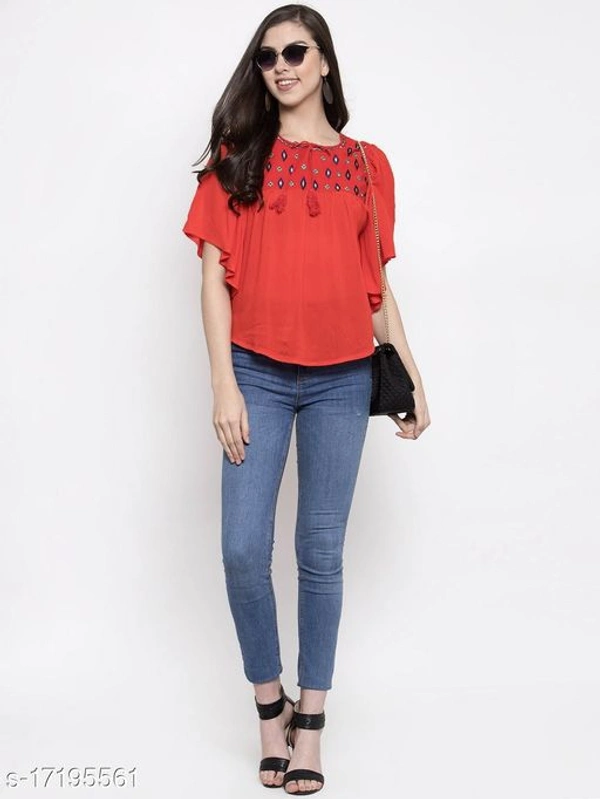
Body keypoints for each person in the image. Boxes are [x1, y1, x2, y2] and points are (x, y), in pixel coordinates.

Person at [182, 4, 430, 794]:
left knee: (321, 553)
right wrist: (223, 381)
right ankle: (270, 707)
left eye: (296, 51)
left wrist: (410, 377)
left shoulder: (366, 164)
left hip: (342, 378)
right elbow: (212, 277)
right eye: (267, 56)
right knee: (241, 549)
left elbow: (375, 286)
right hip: (254, 372)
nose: (281, 66)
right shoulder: (238, 156)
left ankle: (311, 722)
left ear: (324, 61)